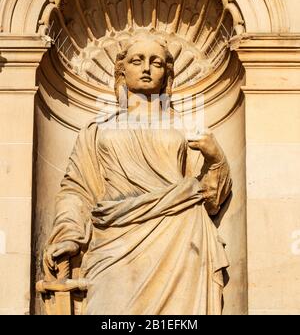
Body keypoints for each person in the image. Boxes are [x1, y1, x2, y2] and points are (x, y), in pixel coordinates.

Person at [43, 33, 232, 315]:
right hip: (114, 238)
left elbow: (209, 198)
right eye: (137, 60)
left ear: (167, 74)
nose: (146, 68)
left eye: (156, 62)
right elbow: (77, 189)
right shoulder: (97, 129)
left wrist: (216, 159)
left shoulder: (185, 128)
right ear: (121, 70)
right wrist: (68, 234)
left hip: (180, 234)